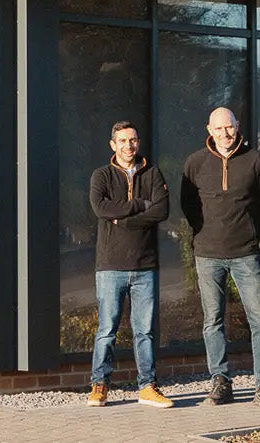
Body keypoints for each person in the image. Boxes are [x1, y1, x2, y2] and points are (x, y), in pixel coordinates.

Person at [181, 106, 260, 410]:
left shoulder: (255, 160)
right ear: (209, 130)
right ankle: (220, 383)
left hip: (245, 254)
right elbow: (188, 205)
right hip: (207, 255)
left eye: (229, 127)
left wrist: (251, 233)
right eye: (218, 129)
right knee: (212, 322)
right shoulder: (195, 163)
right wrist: (203, 233)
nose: (225, 134)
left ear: (237, 126)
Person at [86, 120, 173, 408]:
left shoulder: (153, 173)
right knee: (106, 330)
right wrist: (139, 205)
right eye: (122, 141)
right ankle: (100, 385)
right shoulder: (102, 175)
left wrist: (121, 218)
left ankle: (147, 386)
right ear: (113, 145)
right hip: (110, 266)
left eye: (133, 140)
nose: (128, 146)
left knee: (144, 331)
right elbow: (101, 208)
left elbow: (161, 211)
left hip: (144, 266)